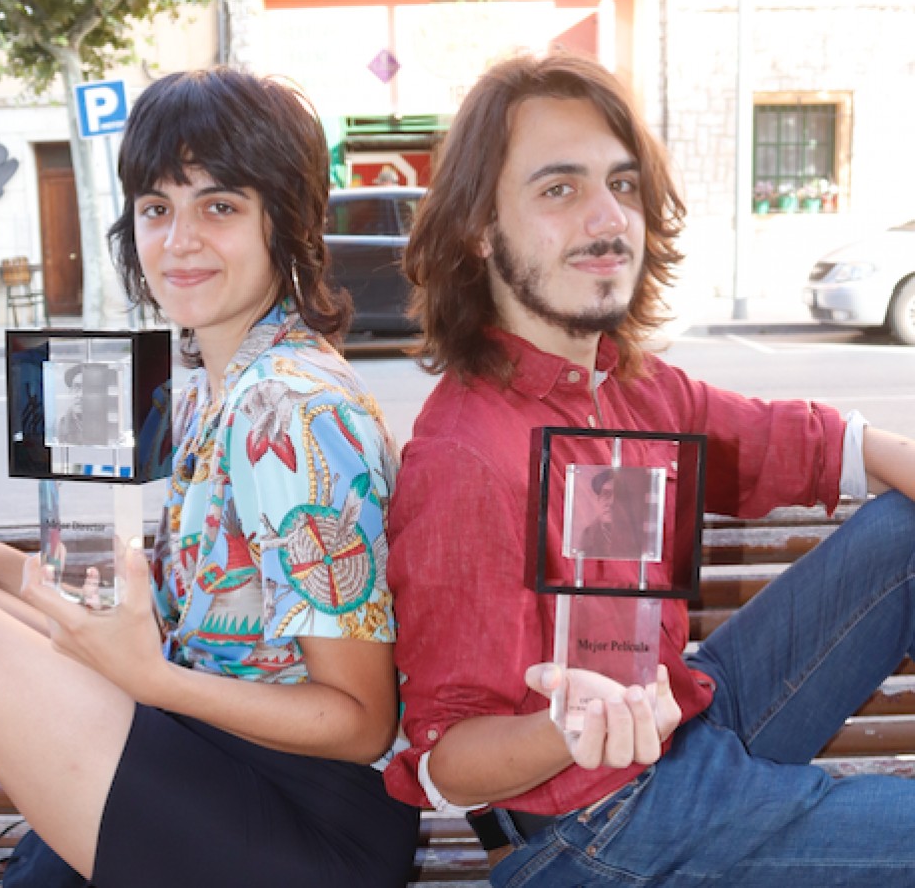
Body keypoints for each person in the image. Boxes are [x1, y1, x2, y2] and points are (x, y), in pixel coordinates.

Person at [0, 67, 419, 887]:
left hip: (303, 826)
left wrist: (149, 680)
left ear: (287, 223)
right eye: (157, 208)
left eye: (220, 206)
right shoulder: (216, 387)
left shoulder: (293, 408)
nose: (179, 239)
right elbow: (156, 625)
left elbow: (361, 724)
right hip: (213, 765)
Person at [383, 50, 915, 887]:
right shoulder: (464, 457)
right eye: (559, 189)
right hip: (587, 830)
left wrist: (888, 450)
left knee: (908, 532)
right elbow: (448, 763)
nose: (607, 219)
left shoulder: (626, 382)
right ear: (478, 229)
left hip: (682, 722)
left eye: (622, 186)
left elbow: (800, 445)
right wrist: (570, 728)